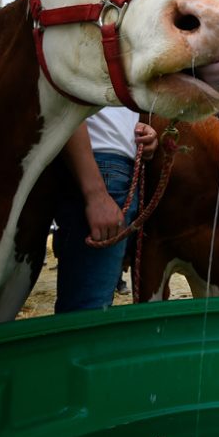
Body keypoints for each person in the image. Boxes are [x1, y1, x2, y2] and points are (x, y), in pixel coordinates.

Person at [53, 106, 157, 312]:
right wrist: (96, 193)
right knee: (87, 311)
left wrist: (138, 133)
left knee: (92, 305)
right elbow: (63, 105)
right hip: (99, 168)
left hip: (111, 169)